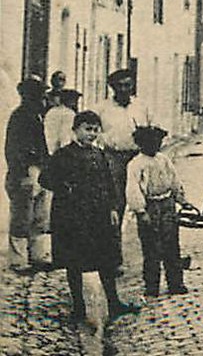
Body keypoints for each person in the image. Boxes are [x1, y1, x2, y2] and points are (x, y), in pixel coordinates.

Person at [40, 111, 138, 324]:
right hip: (71, 216)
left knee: (106, 259)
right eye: (87, 129)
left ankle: (114, 303)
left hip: (98, 215)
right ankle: (78, 307)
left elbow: (108, 184)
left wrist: (113, 208)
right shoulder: (63, 155)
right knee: (74, 262)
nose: (92, 134)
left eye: (95, 130)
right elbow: (45, 179)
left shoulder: (99, 155)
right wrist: (66, 188)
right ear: (75, 129)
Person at [125, 124, 189, 297]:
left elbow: (174, 180)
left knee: (172, 246)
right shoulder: (136, 164)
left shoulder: (163, 159)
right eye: (150, 142)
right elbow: (133, 189)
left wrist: (182, 200)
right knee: (151, 248)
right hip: (150, 206)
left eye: (158, 142)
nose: (155, 145)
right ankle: (151, 286)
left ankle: (176, 283)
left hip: (167, 204)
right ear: (140, 144)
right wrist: (140, 211)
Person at [95, 68, 154, 227]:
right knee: (115, 200)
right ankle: (113, 243)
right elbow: (94, 133)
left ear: (132, 86)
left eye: (127, 85)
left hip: (139, 157)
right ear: (112, 87)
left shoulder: (141, 106)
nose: (123, 89)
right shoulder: (102, 108)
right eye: (119, 86)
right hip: (113, 158)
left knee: (144, 200)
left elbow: (151, 128)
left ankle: (148, 243)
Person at [6, 77, 50, 273]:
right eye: (39, 93)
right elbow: (12, 149)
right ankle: (18, 259)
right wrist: (21, 172)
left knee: (39, 216)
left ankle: (37, 255)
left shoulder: (37, 116)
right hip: (25, 172)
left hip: (39, 170)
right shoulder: (19, 117)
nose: (43, 97)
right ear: (28, 95)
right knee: (22, 217)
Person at [43, 89, 79, 155]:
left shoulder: (51, 111)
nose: (76, 103)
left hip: (48, 150)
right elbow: (65, 137)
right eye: (75, 100)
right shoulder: (69, 114)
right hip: (60, 153)